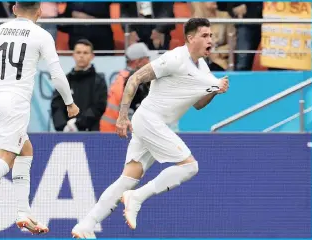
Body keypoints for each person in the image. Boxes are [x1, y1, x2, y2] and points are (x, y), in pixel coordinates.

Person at [71, 18, 229, 238]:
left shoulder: (203, 68)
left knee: (127, 180)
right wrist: (122, 116)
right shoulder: (174, 58)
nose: (210, 40)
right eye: (205, 36)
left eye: (211, 36)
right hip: (148, 120)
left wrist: (214, 90)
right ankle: (137, 197)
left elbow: (198, 105)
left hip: (155, 124)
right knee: (190, 167)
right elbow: (135, 78)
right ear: (190, 39)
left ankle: (86, 225)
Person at [0, 2, 79, 237]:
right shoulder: (40, 35)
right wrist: (69, 102)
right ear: (39, 12)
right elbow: (57, 74)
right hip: (15, 104)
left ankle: (23, 212)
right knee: (5, 156)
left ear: (14, 9)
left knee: (25, 149)